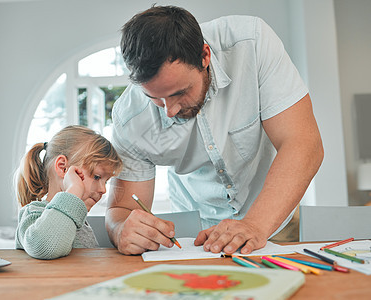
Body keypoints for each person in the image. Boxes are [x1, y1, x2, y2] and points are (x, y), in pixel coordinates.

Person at [106, 5, 324, 256]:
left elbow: (303, 143)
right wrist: (121, 229)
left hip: (272, 219)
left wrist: (254, 225)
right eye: (155, 98)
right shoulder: (129, 118)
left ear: (204, 56)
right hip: (194, 239)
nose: (170, 110)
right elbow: (121, 209)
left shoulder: (252, 43)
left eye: (179, 93)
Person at [14, 125, 122, 259]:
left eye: (105, 182)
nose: (103, 190)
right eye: (96, 177)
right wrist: (74, 190)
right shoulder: (34, 214)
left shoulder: (78, 222)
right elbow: (46, 247)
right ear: (63, 168)